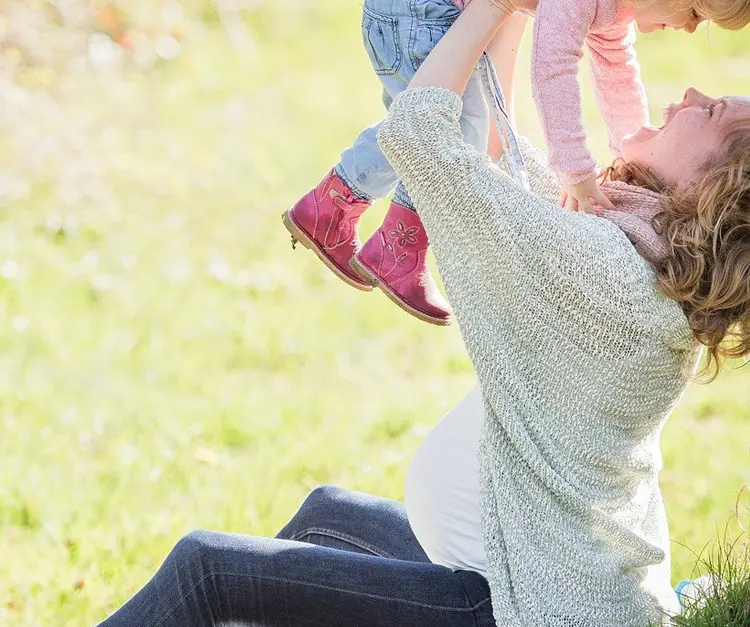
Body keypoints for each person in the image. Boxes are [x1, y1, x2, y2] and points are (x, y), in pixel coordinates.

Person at [97, 0, 750, 624]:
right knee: (324, 515)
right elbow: (504, 161)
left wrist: (492, 7)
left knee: (207, 572)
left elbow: (416, 134)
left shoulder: (606, 277)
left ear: (710, 189)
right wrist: (522, 15)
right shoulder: (636, 255)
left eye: (712, 110)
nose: (689, 95)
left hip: (530, 611)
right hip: (513, 569)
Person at [281, 0, 750, 326]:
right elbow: (552, 69)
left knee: (448, 126)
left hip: (427, 14)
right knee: (440, 130)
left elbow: (618, 70)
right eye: (694, 12)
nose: (689, 28)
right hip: (419, 14)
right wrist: (577, 173)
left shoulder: (616, 11)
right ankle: (383, 236)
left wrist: (626, 143)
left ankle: (345, 213)